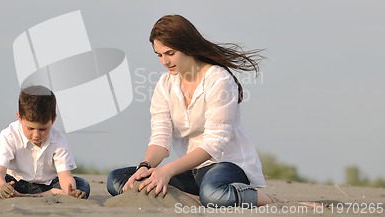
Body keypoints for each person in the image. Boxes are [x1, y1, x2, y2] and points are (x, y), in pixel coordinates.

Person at [107, 14, 278, 208]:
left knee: (213, 194)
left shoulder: (219, 79)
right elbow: (160, 138)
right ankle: (194, 198)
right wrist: (145, 166)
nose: (164, 61)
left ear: (187, 47)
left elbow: (214, 144)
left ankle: (270, 200)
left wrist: (167, 171)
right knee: (118, 179)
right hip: (191, 169)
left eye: (170, 53)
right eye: (159, 55)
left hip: (227, 165)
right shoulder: (165, 84)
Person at [0, 85, 90, 200]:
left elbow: (64, 175)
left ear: (54, 119)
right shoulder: (9, 135)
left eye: (43, 129)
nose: (36, 135)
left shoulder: (58, 139)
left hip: (45, 185)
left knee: (82, 186)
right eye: (30, 128)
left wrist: (69, 189)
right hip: (11, 182)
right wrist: (2, 187)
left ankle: (32, 195)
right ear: (19, 117)